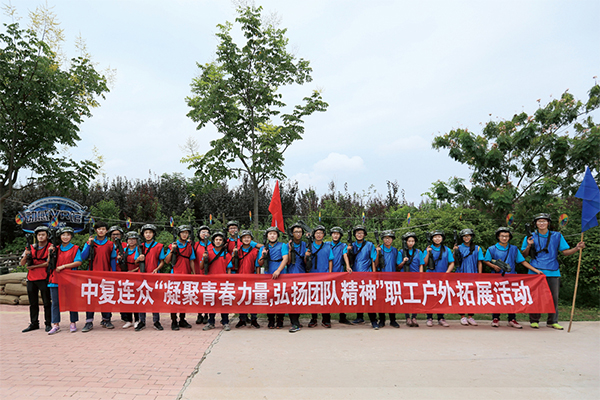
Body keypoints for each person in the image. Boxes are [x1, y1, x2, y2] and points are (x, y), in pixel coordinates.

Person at [521, 213, 585, 330]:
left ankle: (552, 321)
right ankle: (534, 320)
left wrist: (577, 248)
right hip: (535, 271)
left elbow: (565, 252)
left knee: (553, 298)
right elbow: (523, 255)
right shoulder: (530, 236)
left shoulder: (557, 236)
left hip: (553, 270)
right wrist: (529, 246)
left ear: (548, 223)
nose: (542, 223)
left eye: (544, 221)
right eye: (539, 221)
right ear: (535, 223)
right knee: (535, 297)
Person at [484, 227, 543, 329]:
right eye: (502, 236)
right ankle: (495, 318)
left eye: (506, 236)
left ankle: (512, 319)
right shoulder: (491, 249)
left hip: (511, 277)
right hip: (497, 278)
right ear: (498, 237)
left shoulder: (514, 249)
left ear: (509, 237)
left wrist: (536, 270)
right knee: (497, 298)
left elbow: (522, 261)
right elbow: (486, 260)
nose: (504, 238)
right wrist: (493, 266)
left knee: (511, 298)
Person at [80, 221, 116, 332]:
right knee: (91, 299)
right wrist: (89, 245)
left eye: (103, 229)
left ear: (106, 231)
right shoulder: (90, 242)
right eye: (99, 229)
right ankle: (89, 321)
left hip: (106, 275)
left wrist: (114, 274)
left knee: (106, 297)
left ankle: (106, 319)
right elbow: (83, 257)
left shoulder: (110, 244)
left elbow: (113, 259)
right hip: (91, 275)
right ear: (96, 230)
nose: (101, 231)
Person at [46, 227, 82, 334]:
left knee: (72, 301)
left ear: (71, 236)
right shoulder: (56, 248)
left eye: (68, 235)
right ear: (60, 236)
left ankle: (73, 322)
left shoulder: (75, 248)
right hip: (56, 278)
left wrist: (63, 266)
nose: (65, 237)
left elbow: (78, 262)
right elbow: (49, 262)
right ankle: (55, 324)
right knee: (55, 302)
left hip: (70, 279)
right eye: (63, 235)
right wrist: (49, 253)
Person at [20, 226, 52, 333]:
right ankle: (34, 323)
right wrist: (26, 256)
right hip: (31, 278)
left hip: (44, 277)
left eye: (43, 234)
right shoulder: (30, 247)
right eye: (39, 235)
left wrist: (33, 267)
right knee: (33, 303)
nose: (41, 237)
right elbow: (22, 263)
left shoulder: (50, 247)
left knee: (46, 302)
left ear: (47, 236)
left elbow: (47, 263)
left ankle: (48, 323)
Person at [164, 225, 196, 330]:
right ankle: (174, 321)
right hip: (175, 275)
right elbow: (167, 261)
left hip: (186, 274)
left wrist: (194, 274)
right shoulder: (172, 245)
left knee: (184, 298)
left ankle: (182, 319)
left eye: (186, 233)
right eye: (183, 233)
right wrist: (172, 250)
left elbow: (191, 260)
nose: (185, 235)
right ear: (179, 234)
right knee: (174, 298)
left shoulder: (189, 246)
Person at [348, 225, 379, 330]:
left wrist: (374, 275)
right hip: (355, 275)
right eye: (357, 233)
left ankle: (373, 320)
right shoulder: (352, 245)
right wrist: (348, 251)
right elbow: (347, 259)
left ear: (364, 234)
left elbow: (373, 260)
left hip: (367, 275)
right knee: (358, 296)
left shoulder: (369, 245)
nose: (359, 234)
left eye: (361, 233)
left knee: (369, 298)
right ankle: (359, 317)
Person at [451, 228, 483, 326]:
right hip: (461, 273)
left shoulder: (477, 248)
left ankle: (470, 316)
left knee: (472, 296)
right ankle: (462, 316)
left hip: (473, 274)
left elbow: (480, 262)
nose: (466, 238)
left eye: (468, 236)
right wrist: (454, 252)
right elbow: (453, 261)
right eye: (464, 236)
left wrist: (480, 275)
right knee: (461, 295)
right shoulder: (459, 247)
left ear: (471, 237)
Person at [422, 230, 454, 327]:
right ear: (432, 238)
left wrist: (447, 274)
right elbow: (424, 263)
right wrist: (428, 253)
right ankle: (429, 317)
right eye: (435, 237)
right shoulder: (428, 249)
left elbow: (452, 263)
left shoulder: (447, 250)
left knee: (441, 297)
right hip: (430, 277)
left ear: (442, 238)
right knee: (430, 297)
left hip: (442, 277)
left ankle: (441, 318)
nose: (437, 239)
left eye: (439, 237)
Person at [202, 231, 233, 331]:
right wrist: (204, 258)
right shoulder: (208, 252)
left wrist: (228, 281)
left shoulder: (227, 254)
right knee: (212, 302)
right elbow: (202, 267)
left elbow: (229, 269)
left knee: (224, 302)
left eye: (220, 240)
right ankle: (211, 322)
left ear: (223, 242)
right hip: (211, 282)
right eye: (216, 240)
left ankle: (225, 322)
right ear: (213, 241)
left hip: (223, 282)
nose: (218, 241)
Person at [260, 227, 289, 329]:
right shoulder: (263, 247)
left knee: (281, 296)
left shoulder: (283, 245)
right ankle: (271, 319)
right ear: (267, 236)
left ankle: (280, 319)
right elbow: (259, 263)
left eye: (274, 234)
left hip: (281, 274)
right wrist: (263, 255)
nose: (272, 236)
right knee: (270, 297)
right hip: (268, 274)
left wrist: (278, 270)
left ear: (277, 235)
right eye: (270, 234)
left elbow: (285, 258)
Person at [307, 225, 334, 329]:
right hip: (312, 275)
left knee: (325, 298)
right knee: (313, 298)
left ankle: (326, 318)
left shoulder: (327, 246)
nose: (318, 235)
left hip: (325, 275)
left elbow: (330, 260)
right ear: (314, 234)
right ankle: (314, 318)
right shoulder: (309, 246)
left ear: (323, 235)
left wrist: (330, 274)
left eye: (321, 233)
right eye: (317, 233)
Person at [234, 230, 261, 329]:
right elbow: (232, 263)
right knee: (241, 298)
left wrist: (258, 278)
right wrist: (234, 254)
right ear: (241, 239)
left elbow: (257, 266)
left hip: (251, 278)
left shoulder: (255, 251)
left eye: (248, 237)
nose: (246, 239)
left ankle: (254, 319)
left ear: (251, 239)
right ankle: (242, 319)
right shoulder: (237, 250)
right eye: (244, 237)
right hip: (239, 278)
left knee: (252, 299)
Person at [286, 223, 310, 333]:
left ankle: (296, 321)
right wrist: (290, 250)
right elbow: (288, 261)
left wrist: (307, 256)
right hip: (291, 274)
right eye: (296, 232)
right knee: (292, 299)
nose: (298, 234)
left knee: (299, 299)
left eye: (300, 232)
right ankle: (294, 323)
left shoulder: (305, 244)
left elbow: (306, 262)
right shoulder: (287, 245)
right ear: (292, 233)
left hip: (301, 274)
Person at [374, 230, 400, 328]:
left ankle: (393, 320)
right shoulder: (379, 249)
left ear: (392, 239)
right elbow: (375, 264)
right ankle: (382, 320)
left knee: (392, 300)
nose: (387, 240)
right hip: (381, 278)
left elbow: (397, 264)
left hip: (392, 278)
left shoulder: (395, 250)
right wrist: (377, 253)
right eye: (385, 238)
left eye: (389, 238)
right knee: (381, 300)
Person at [120, 232, 145, 330]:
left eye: (133, 239)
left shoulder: (139, 249)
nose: (131, 241)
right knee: (127, 298)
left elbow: (140, 264)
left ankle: (137, 319)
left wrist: (132, 271)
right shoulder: (124, 250)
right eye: (129, 239)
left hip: (136, 276)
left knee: (136, 298)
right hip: (126, 276)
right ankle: (129, 320)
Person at [327, 227, 352, 325]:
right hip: (328, 272)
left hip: (340, 272)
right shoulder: (326, 244)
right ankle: (327, 318)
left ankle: (342, 316)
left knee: (341, 294)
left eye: (337, 234)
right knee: (328, 295)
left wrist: (348, 266)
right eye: (334, 233)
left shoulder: (343, 245)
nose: (335, 235)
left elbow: (345, 255)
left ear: (340, 235)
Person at [397, 232, 423, 327]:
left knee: (416, 297)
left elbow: (421, 265)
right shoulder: (401, 252)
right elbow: (398, 266)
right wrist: (403, 261)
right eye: (409, 241)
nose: (411, 243)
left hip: (415, 278)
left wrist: (421, 277)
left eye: (412, 241)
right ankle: (407, 317)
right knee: (406, 297)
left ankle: (414, 317)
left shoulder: (418, 252)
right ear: (406, 242)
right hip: (405, 278)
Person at [194, 225, 211, 325]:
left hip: (208, 273)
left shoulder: (212, 245)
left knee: (207, 294)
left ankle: (206, 314)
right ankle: (199, 314)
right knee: (199, 295)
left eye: (206, 232)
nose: (204, 234)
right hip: (198, 272)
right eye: (202, 232)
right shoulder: (195, 245)